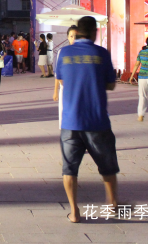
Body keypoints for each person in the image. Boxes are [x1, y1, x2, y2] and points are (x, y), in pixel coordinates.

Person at [55, 16, 119, 223]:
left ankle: (74, 212)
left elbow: (62, 79)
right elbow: (111, 84)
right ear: (94, 32)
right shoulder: (101, 53)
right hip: (97, 121)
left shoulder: (64, 53)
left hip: (70, 121)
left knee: (69, 169)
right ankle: (112, 204)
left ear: (78, 32)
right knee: (107, 168)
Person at [53, 26, 77, 129]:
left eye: (76, 36)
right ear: (67, 37)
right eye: (71, 36)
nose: (74, 39)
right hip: (65, 88)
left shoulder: (83, 52)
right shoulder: (62, 52)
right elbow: (58, 73)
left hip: (78, 88)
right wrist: (55, 91)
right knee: (64, 114)